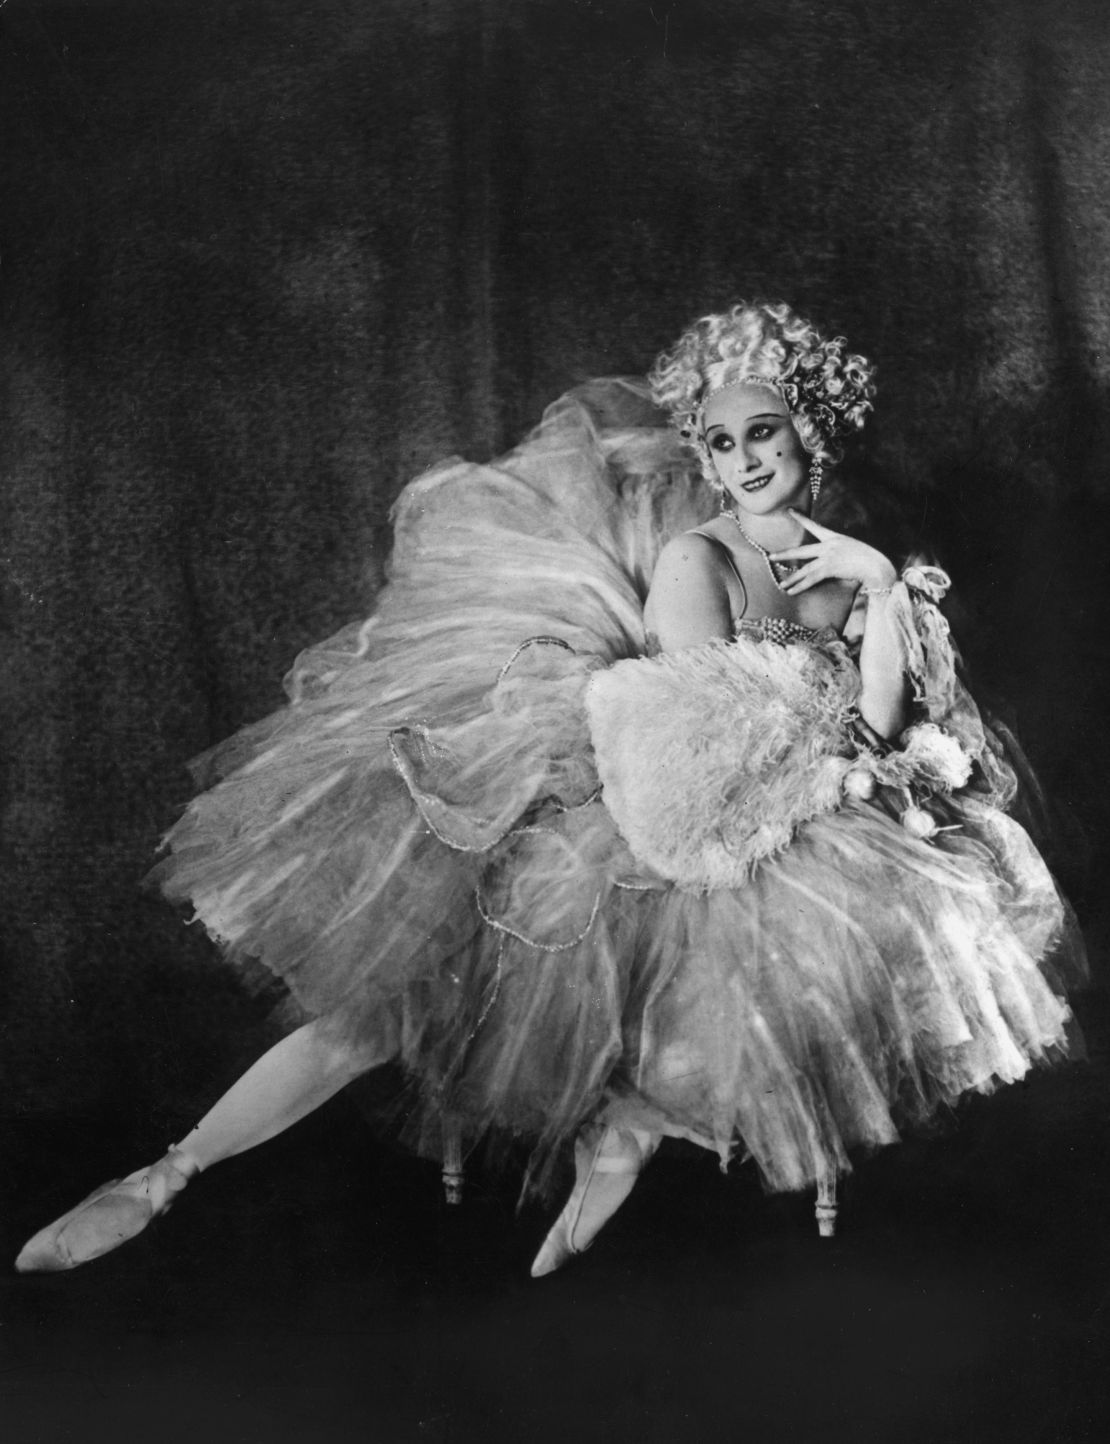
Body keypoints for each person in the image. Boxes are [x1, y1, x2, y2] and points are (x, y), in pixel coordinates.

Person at [15, 301, 1084, 1278]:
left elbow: (887, 722)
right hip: (642, 807)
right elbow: (687, 773)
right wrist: (840, 763)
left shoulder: (850, 563)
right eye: (720, 441)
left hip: (771, 804)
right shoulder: (694, 567)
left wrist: (883, 591)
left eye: (765, 430)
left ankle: (623, 1126)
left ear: (810, 422)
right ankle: (168, 1173)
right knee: (387, 1012)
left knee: (845, 956)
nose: (746, 459)